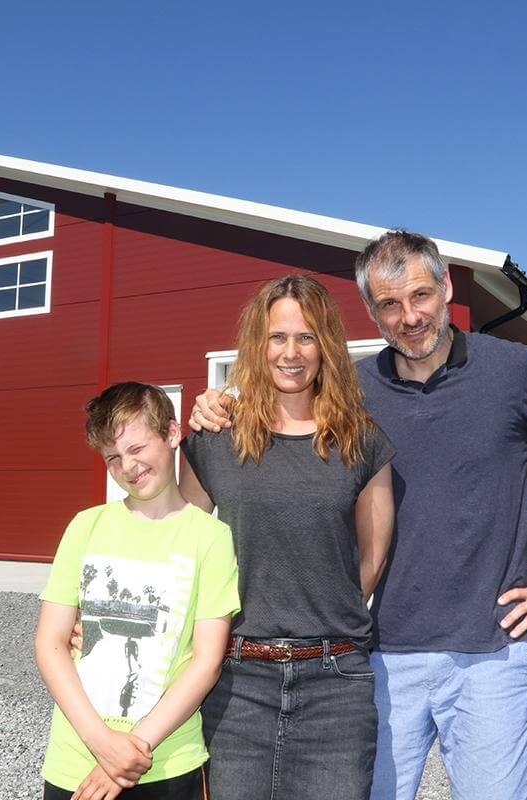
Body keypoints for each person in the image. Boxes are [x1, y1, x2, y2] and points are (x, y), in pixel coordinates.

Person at [191, 231, 527, 800]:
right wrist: (221, 401)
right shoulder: (352, 394)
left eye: (421, 296)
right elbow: (280, 401)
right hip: (378, 657)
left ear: (446, 286)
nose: (409, 317)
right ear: (372, 311)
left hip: (492, 656)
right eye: (389, 305)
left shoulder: (513, 371)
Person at [179, 274, 396, 800]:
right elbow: (176, 552)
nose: (291, 352)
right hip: (235, 681)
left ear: (327, 346)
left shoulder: (361, 442)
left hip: (335, 682)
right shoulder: (214, 439)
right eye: (278, 337)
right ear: (258, 344)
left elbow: (370, 561)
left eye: (307, 337)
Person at [35, 382, 240, 800]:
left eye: (137, 448)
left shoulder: (212, 538)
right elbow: (50, 643)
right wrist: (103, 745)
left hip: (169, 761)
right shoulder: (85, 526)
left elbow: (206, 660)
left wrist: (134, 748)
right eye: (113, 458)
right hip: (76, 761)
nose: (128, 467)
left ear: (170, 433)